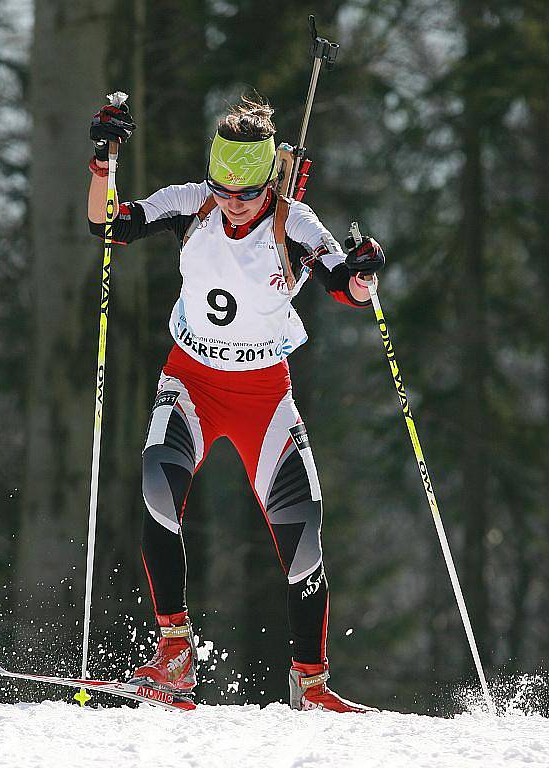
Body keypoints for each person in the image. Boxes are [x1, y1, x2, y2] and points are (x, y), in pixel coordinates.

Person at [87, 94, 385, 713]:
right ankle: (175, 655)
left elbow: (346, 289)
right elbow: (106, 224)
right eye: (222, 188)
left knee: (301, 529)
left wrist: (362, 272)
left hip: (262, 394)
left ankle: (312, 684)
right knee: (156, 490)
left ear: (268, 182)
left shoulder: (296, 223)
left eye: (246, 193)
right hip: (191, 379)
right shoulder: (188, 202)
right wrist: (104, 160)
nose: (232, 203)